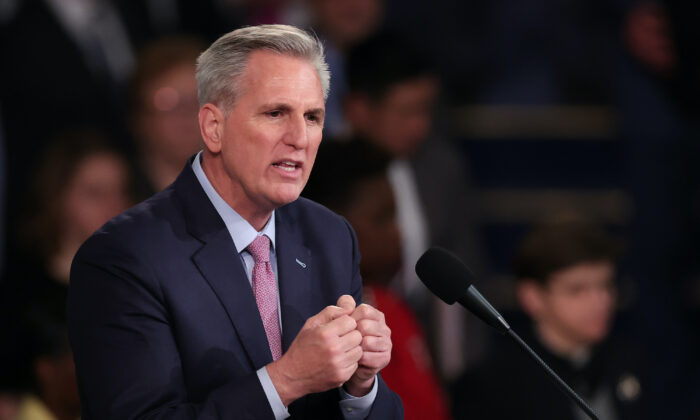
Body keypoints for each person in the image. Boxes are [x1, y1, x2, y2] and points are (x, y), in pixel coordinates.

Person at [67, 24, 402, 419]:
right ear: (214, 127)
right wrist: (287, 380)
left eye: (312, 117)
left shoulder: (330, 237)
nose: (300, 137)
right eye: (276, 113)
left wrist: (360, 387)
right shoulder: (123, 258)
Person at [304, 140, 452, 420]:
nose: (399, 234)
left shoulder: (392, 306)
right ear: (329, 222)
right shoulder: (314, 324)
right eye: (381, 218)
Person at [451, 220, 648, 420]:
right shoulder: (492, 386)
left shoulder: (634, 361)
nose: (601, 301)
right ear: (532, 297)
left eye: (606, 285)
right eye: (577, 290)